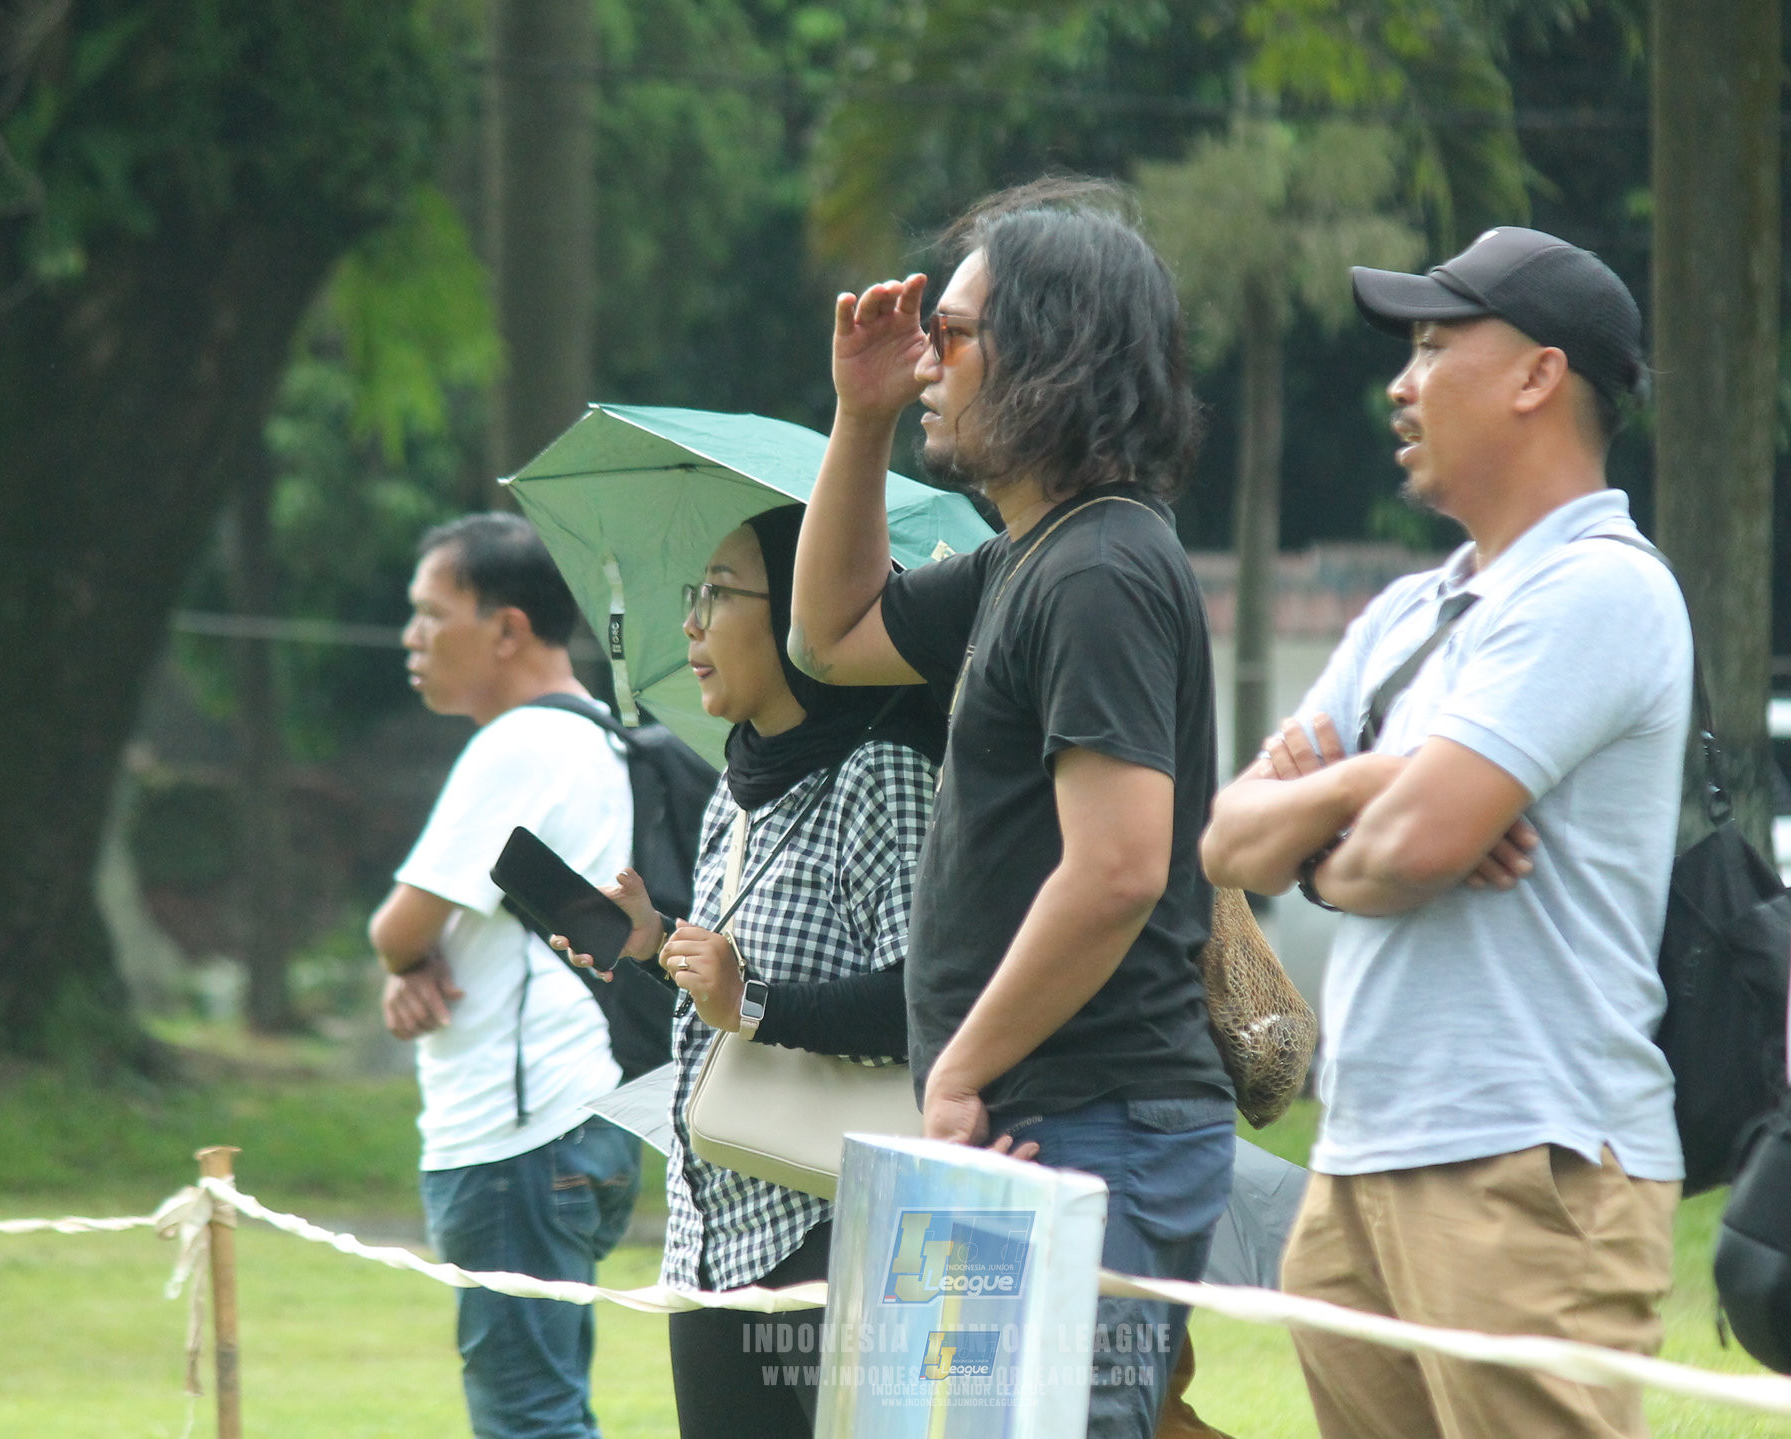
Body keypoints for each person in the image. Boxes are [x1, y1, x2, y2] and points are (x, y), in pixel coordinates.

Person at [1201, 227, 1689, 1439]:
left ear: (1537, 375)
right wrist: (1385, 777)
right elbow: (1227, 841)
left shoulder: (1597, 586)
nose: (1399, 384)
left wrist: (1343, 823)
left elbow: (1410, 849)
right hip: (1359, 1155)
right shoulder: (1409, 610)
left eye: (1430, 347)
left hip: (1526, 1157)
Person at [789, 177, 1236, 1437]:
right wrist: (859, 418)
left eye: (952, 333)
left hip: (1085, 1119)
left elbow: (1116, 868)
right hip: (1032, 1113)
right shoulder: (1030, 557)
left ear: (1053, 351)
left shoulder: (1099, 567)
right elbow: (830, 634)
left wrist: (960, 1069)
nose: (925, 359)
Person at [568, 503, 941, 1439]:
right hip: (709, 1231)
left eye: (721, 594)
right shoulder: (739, 783)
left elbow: (930, 1002)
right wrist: (655, 943)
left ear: (802, 616)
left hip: (832, 1232)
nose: (691, 623)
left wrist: (754, 1000)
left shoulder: (882, 774)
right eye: (693, 593)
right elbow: (728, 995)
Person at [368, 513, 643, 1439]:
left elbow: (397, 926)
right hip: (586, 1116)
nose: (411, 637)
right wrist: (414, 957)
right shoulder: (602, 734)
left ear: (508, 628)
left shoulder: (518, 745)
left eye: (431, 613)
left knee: (530, 1421)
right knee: (545, 1407)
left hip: (518, 1132)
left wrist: (407, 958)